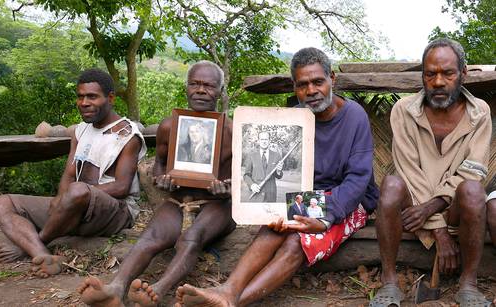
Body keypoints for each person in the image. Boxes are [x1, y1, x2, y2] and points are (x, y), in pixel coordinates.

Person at [175, 47, 379, 306]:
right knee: (275, 228)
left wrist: (326, 219)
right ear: (295, 87)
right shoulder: (294, 116)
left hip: (348, 200)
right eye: (302, 85)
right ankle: (227, 290)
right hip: (308, 197)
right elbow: (289, 176)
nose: (311, 90)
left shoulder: (354, 116)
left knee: (295, 241)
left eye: (318, 82)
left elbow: (359, 179)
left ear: (332, 79)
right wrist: (271, 208)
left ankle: (230, 302)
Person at [77, 60, 235, 307]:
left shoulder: (232, 131)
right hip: (178, 198)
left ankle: (159, 290)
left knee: (191, 238)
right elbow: (160, 164)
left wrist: (227, 188)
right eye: (194, 84)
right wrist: (162, 179)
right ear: (186, 88)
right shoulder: (170, 126)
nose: (201, 90)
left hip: (217, 204)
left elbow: (243, 180)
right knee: (150, 237)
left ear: (220, 91)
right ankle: (116, 288)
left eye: (208, 85)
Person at [370, 38, 492, 307]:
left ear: (463, 73)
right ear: (423, 76)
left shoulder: (479, 112)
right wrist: (439, 231)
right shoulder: (403, 111)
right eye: (430, 74)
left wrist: (431, 210)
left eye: (447, 73)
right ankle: (389, 282)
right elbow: (409, 171)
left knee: (473, 190)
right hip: (414, 204)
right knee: (390, 184)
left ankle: (468, 284)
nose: (438, 82)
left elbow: (473, 171)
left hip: (453, 207)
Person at [0, 69, 146, 278]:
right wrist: (61, 200)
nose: (84, 102)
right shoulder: (81, 130)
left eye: (92, 96)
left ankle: (30, 245)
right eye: (80, 96)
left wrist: (72, 196)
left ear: (110, 98)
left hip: (114, 211)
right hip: (75, 206)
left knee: (77, 190)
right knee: (1, 203)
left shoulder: (127, 135)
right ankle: (42, 254)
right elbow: (70, 173)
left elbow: (121, 187)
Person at [242, 131, 284, 202]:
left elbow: (279, 176)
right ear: (258, 141)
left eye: (266, 139)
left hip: (270, 196)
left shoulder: (276, 155)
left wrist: (279, 171)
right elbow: (246, 175)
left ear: (269, 140)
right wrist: (252, 185)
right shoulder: (251, 156)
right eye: (262, 139)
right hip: (255, 196)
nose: (264, 141)